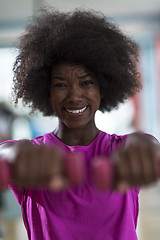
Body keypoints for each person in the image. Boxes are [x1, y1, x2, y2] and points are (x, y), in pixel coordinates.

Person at [0, 8, 160, 240]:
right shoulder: (33, 157)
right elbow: (6, 153)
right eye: (61, 84)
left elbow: (144, 143)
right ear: (46, 91)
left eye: (86, 83)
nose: (74, 96)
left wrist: (146, 146)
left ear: (102, 88)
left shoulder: (122, 151)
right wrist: (10, 157)